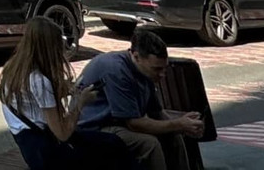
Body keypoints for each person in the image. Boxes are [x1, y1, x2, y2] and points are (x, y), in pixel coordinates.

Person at [0, 19, 132, 168]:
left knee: (110, 143)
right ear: (50, 48)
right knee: (112, 147)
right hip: (47, 152)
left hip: (31, 146)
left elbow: (31, 104)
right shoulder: (39, 81)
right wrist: (81, 102)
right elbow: (62, 133)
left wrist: (63, 91)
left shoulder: (13, 69)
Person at [75, 27, 205, 166]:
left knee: (174, 136)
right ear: (136, 57)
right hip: (94, 127)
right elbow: (134, 124)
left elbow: (157, 112)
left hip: (119, 123)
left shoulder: (144, 70)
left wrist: (184, 125)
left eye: (164, 68)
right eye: (157, 69)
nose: (162, 75)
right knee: (149, 144)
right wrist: (178, 124)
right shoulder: (116, 70)